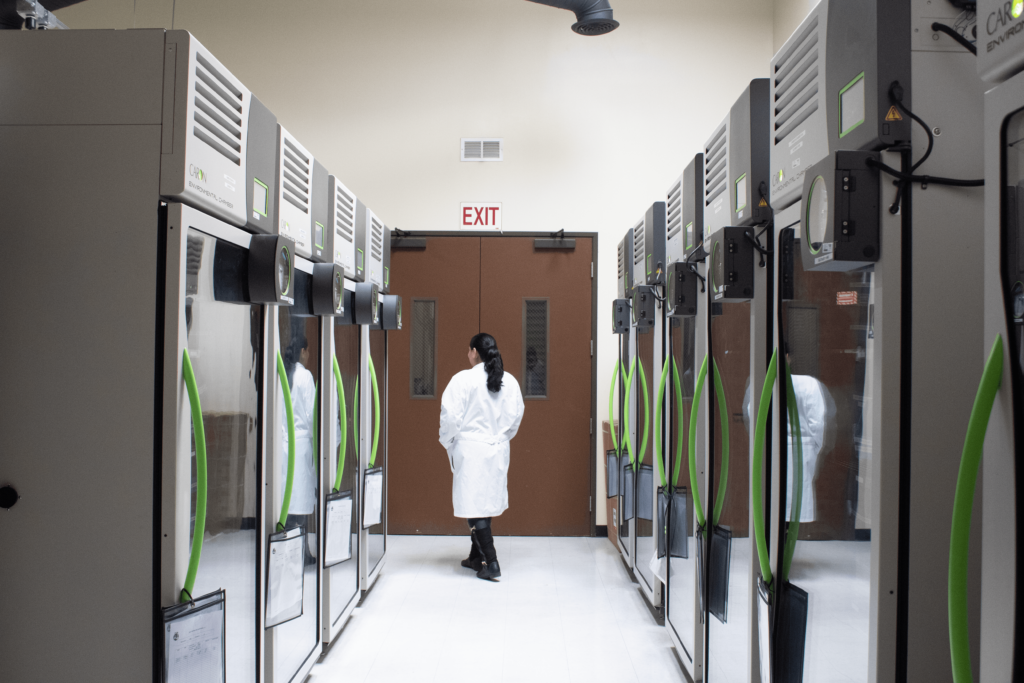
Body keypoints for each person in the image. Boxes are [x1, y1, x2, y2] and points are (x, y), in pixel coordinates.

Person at [439, 333, 525, 581]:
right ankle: (476, 557)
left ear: (474, 351)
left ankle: (492, 561)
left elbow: (450, 418)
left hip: (471, 449)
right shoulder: (509, 381)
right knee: (483, 501)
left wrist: (448, 440)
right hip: (496, 449)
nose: (468, 355)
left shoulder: (463, 380)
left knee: (474, 506)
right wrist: (500, 438)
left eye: (468, 351)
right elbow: (515, 419)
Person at [282, 328, 318, 563]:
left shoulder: (284, 374)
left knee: (287, 501)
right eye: (308, 352)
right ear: (303, 351)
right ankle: (302, 553)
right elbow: (312, 414)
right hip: (302, 445)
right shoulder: (304, 376)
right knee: (302, 502)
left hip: (285, 445)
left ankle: (286, 554)